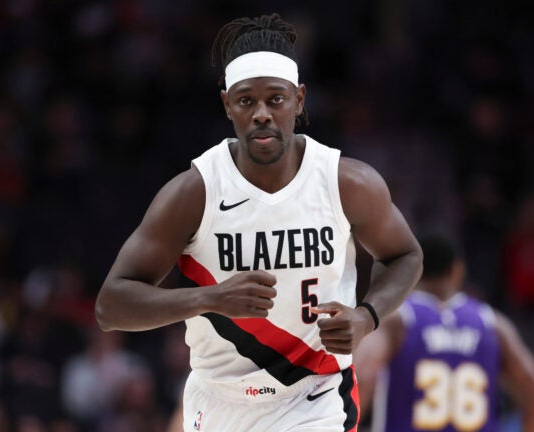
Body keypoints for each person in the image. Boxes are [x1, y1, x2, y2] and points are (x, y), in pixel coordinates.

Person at [95, 13, 423, 432]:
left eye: (276, 99)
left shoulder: (345, 182)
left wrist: (366, 317)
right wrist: (209, 299)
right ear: (227, 104)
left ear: (299, 100)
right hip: (218, 400)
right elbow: (110, 306)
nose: (262, 114)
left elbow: (406, 255)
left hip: (316, 395)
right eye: (247, 100)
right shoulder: (195, 192)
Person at [354, 234, 534, 432]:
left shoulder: (399, 320)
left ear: (411, 270)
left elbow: (361, 377)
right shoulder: (493, 324)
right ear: (457, 270)